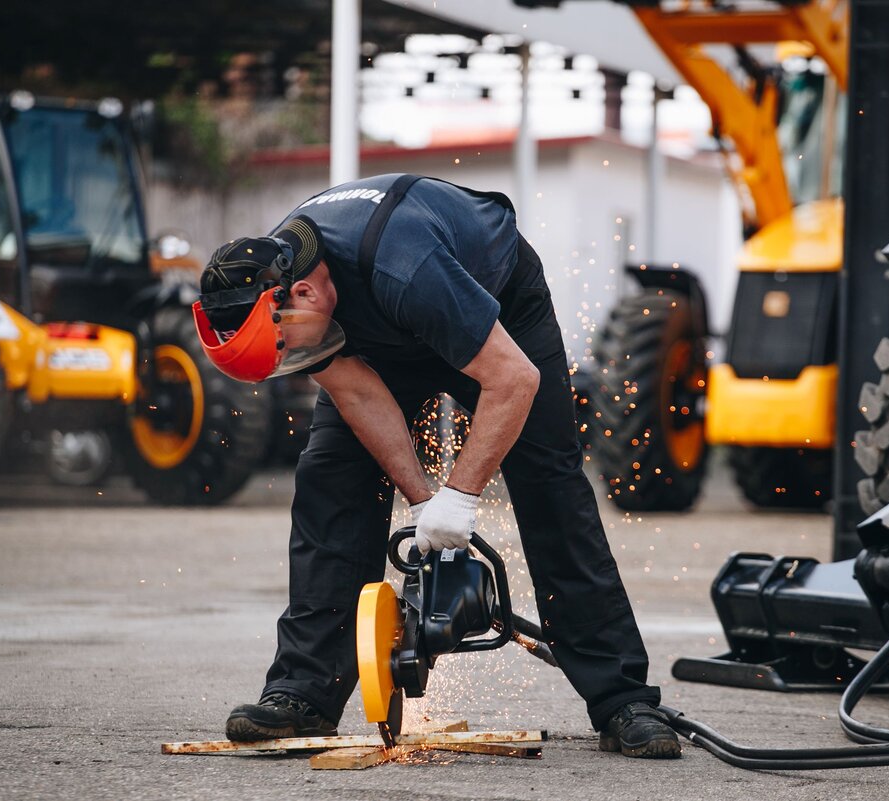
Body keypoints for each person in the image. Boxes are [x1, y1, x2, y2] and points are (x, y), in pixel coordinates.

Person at [193, 173, 680, 759]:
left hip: (497, 305)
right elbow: (357, 394)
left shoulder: (404, 267)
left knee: (549, 481)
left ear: (305, 295)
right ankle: (302, 693)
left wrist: (462, 497)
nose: (291, 363)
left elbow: (514, 379)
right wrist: (425, 500)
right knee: (331, 477)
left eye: (285, 352)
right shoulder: (271, 284)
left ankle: (622, 698)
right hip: (378, 332)